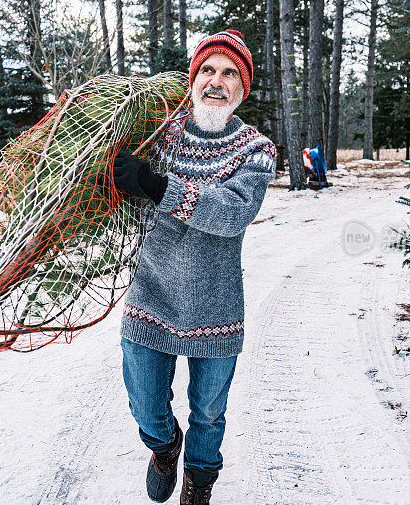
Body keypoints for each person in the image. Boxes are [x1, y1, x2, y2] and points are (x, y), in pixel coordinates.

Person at [112, 29, 276, 505]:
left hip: (216, 303)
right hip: (151, 293)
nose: (215, 81)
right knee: (145, 402)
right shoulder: (158, 137)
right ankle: (163, 448)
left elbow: (231, 214)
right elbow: (120, 185)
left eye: (229, 74)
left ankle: (199, 480)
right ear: (193, 78)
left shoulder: (255, 149)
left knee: (208, 411)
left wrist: (159, 188)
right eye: (207, 70)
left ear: (241, 89)